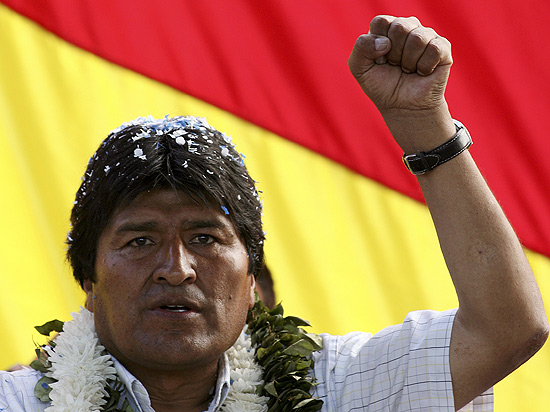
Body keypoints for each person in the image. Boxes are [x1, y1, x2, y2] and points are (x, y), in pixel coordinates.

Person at [0, 15, 547, 412]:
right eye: (140, 241)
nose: (177, 269)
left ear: (251, 279)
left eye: (205, 238)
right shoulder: (21, 402)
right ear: (88, 279)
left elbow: (507, 329)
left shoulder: (332, 390)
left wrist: (424, 125)